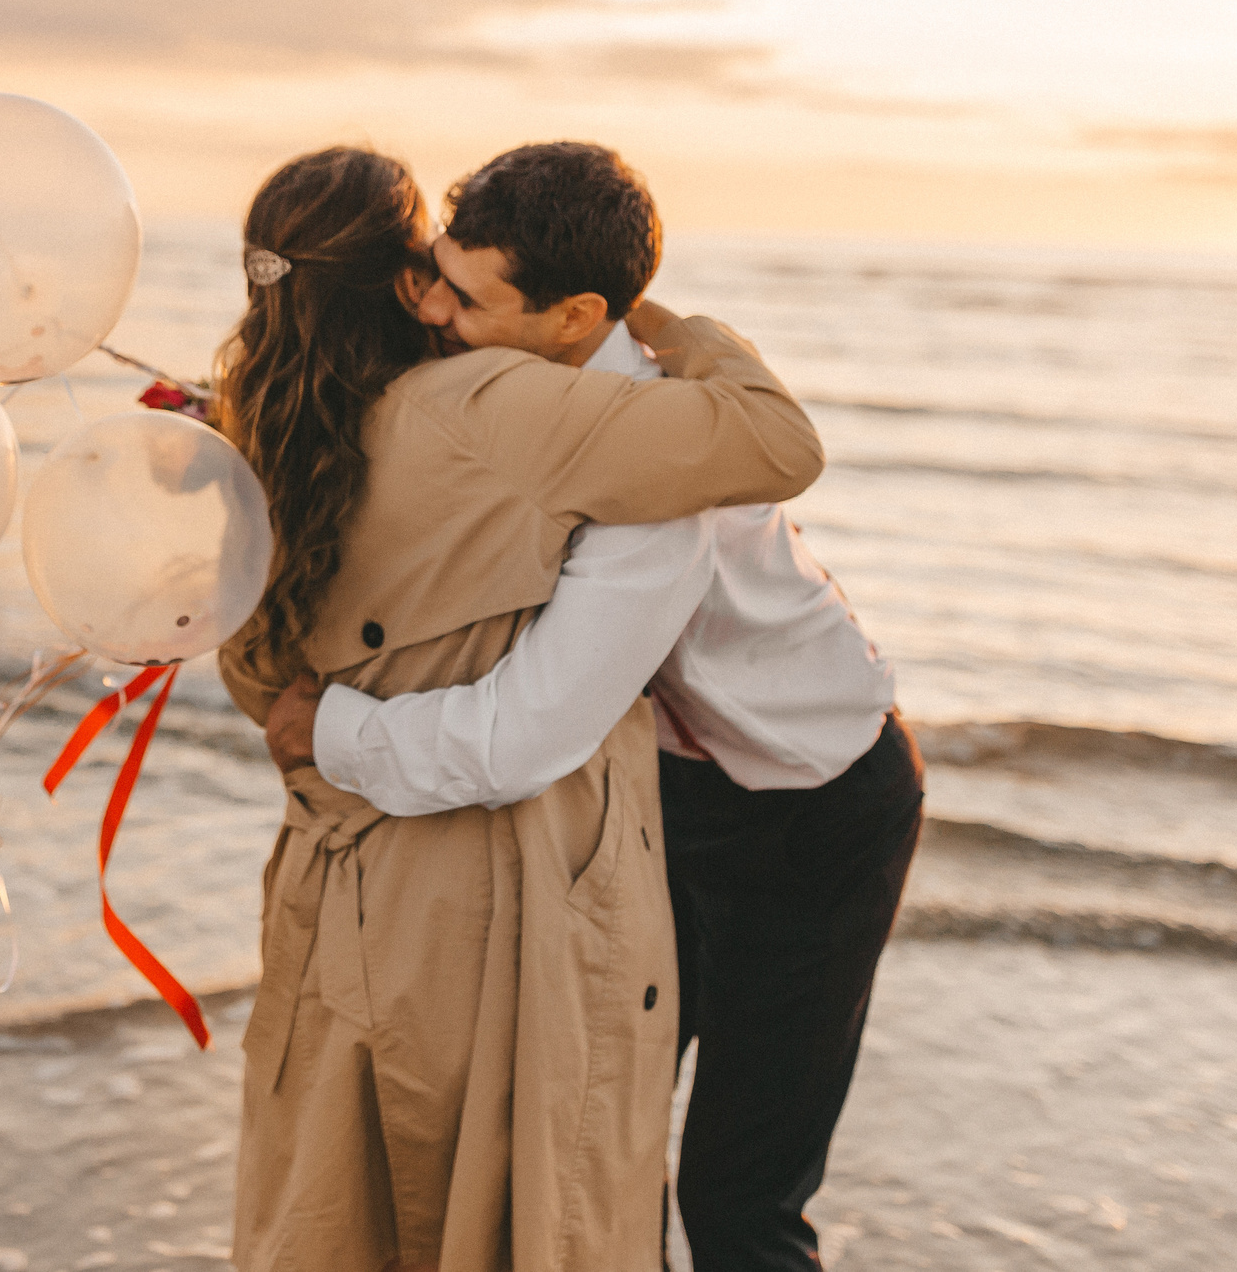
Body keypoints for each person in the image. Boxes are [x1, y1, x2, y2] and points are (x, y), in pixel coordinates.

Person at [263, 142, 925, 1270]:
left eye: (466, 298)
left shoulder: (649, 467)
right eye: (432, 273)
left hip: (813, 812)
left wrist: (328, 732)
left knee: (738, 1200)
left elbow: (525, 731)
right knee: (595, 1156)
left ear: (573, 315)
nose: (429, 310)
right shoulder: (517, 398)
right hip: (659, 796)